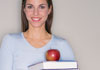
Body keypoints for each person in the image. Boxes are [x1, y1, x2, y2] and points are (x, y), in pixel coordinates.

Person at [0, 0, 75, 70]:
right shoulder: (10, 41)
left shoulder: (62, 45)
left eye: (41, 7)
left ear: (49, 9)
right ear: (24, 9)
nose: (35, 13)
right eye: (30, 7)